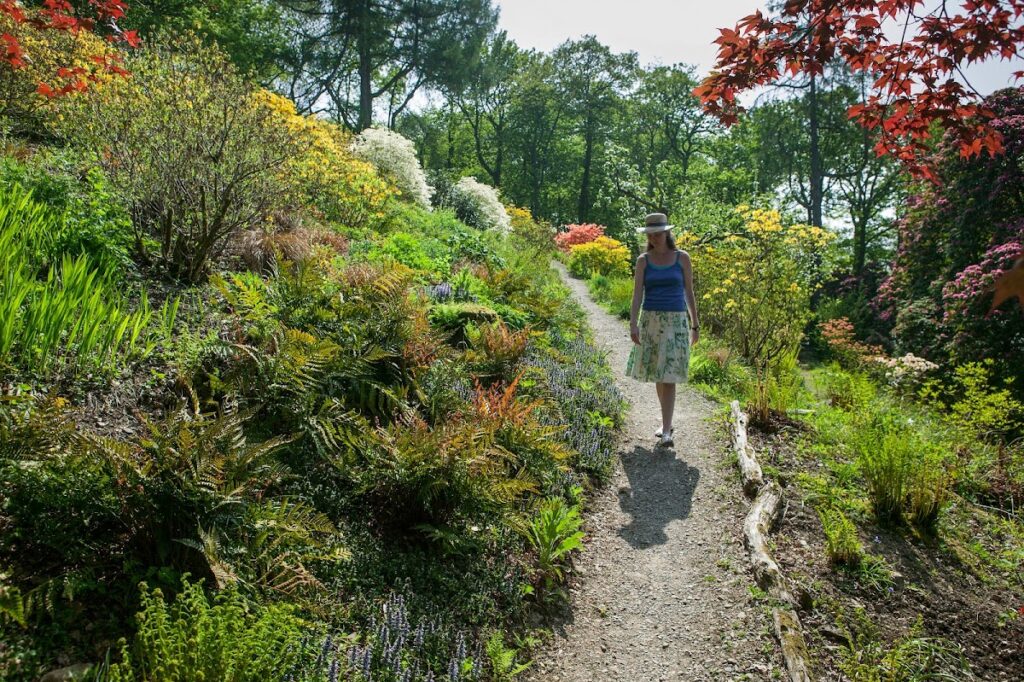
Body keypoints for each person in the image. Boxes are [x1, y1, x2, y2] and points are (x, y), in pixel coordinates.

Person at [625, 212, 700, 448]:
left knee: (669, 376)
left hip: (676, 322)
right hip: (651, 321)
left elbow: (689, 293)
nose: (654, 238)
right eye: (650, 235)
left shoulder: (682, 258)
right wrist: (633, 323)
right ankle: (665, 421)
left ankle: (667, 430)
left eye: (657, 234)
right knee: (659, 374)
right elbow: (637, 295)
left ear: (667, 232)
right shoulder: (643, 261)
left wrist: (695, 324)